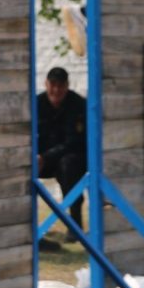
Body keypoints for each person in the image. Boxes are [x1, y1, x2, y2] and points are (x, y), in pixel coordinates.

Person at [37, 67, 88, 243]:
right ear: (46, 84)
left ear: (67, 86)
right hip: (42, 159)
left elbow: (74, 142)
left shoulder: (78, 105)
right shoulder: (37, 104)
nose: (56, 90)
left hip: (69, 157)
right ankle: (30, 230)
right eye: (53, 85)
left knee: (69, 166)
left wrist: (46, 157)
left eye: (61, 86)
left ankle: (74, 227)